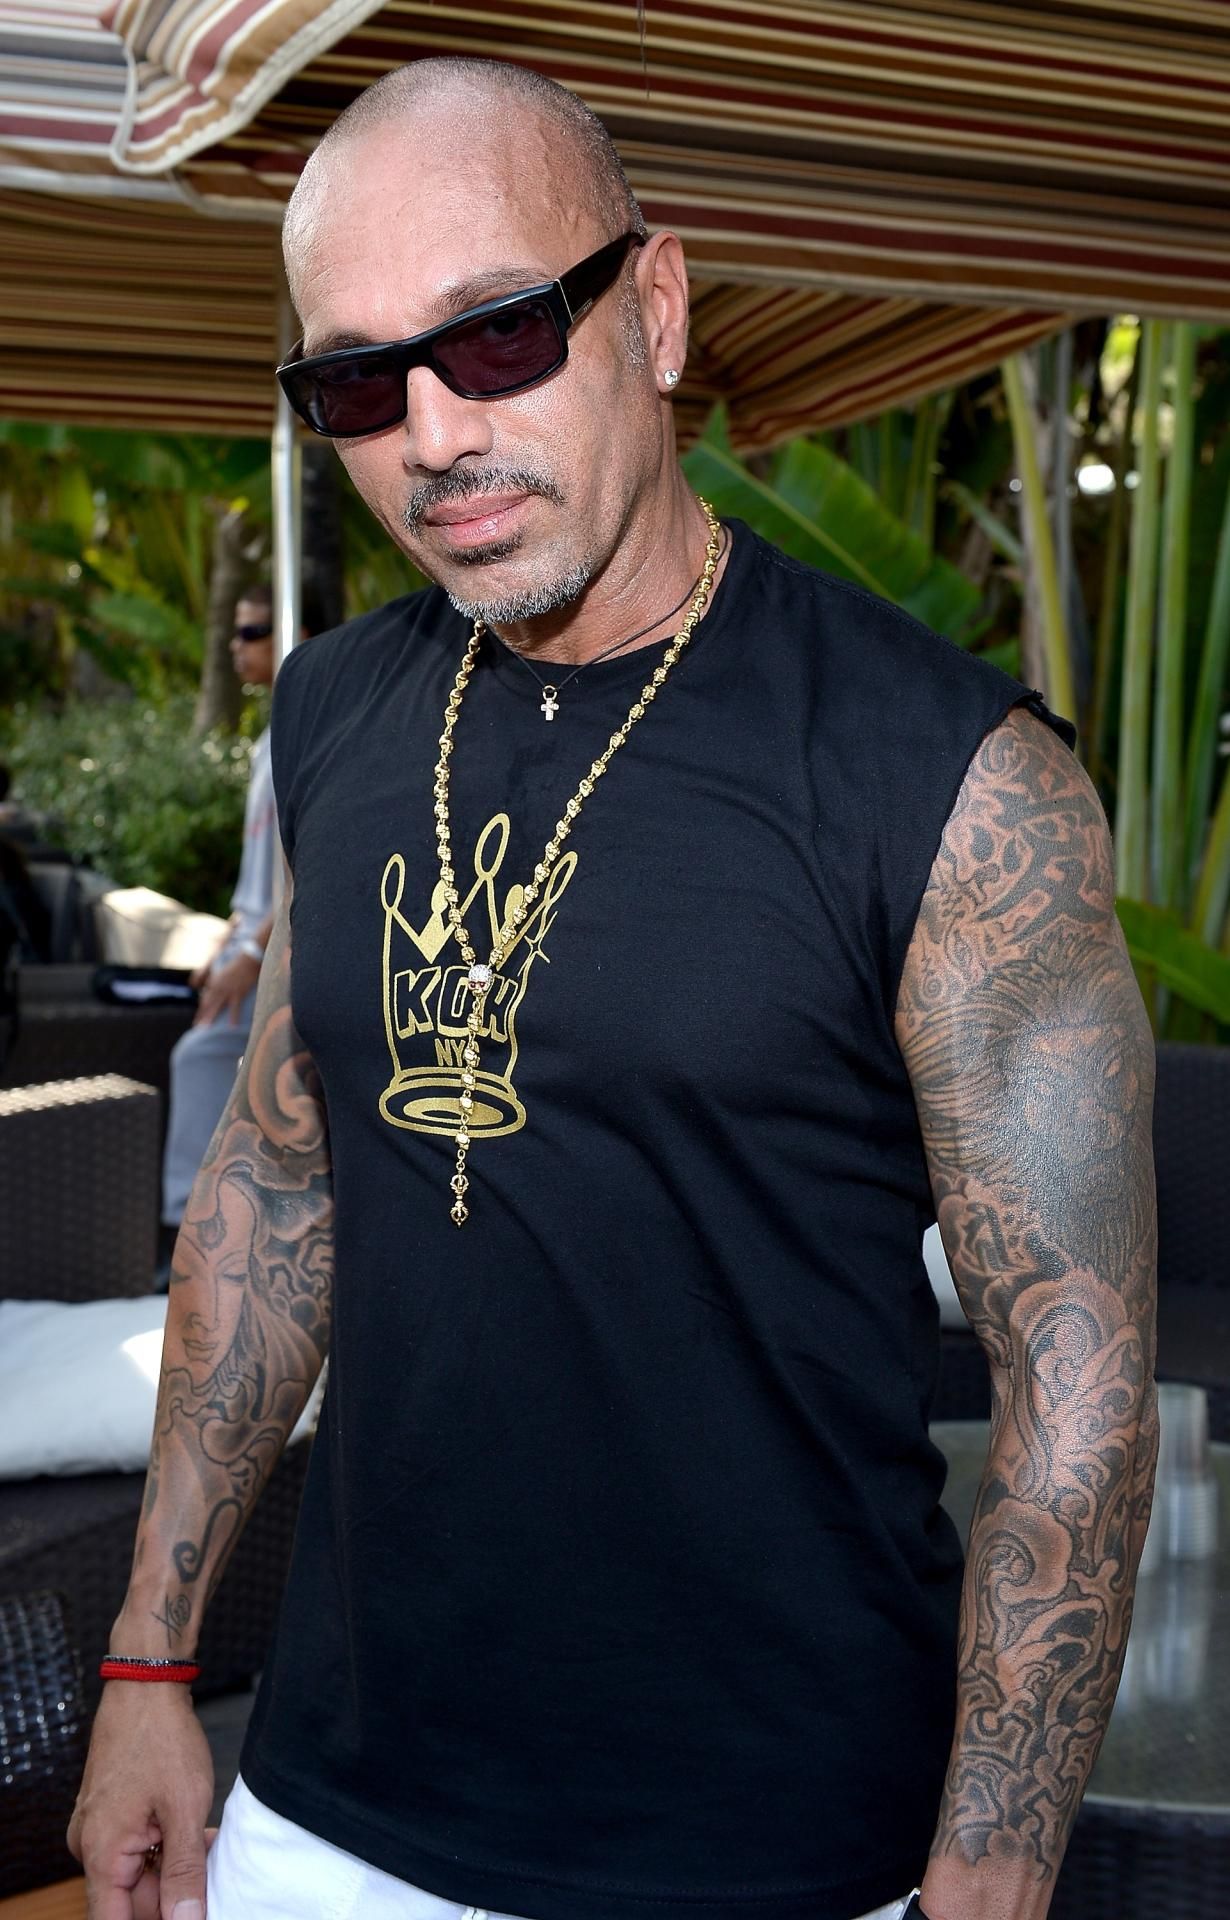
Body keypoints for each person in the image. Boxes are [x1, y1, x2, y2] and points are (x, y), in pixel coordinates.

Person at [69, 56, 1159, 1920]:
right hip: (326, 1816)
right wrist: (150, 1664)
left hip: (776, 1848)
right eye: (357, 381)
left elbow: (1078, 1389)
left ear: (654, 311)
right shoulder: (333, 714)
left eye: (497, 334)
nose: (432, 435)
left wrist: (988, 1876)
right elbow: (277, 1193)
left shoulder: (951, 777)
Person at [159, 587, 281, 1235]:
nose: (238, 646)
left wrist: (254, 954)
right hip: (248, 949)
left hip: (276, 957)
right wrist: (229, 941)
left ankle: (187, 1235)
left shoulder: (311, 736)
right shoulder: (268, 739)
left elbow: (307, 866)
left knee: (200, 1058)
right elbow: (257, 872)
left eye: (254, 631)